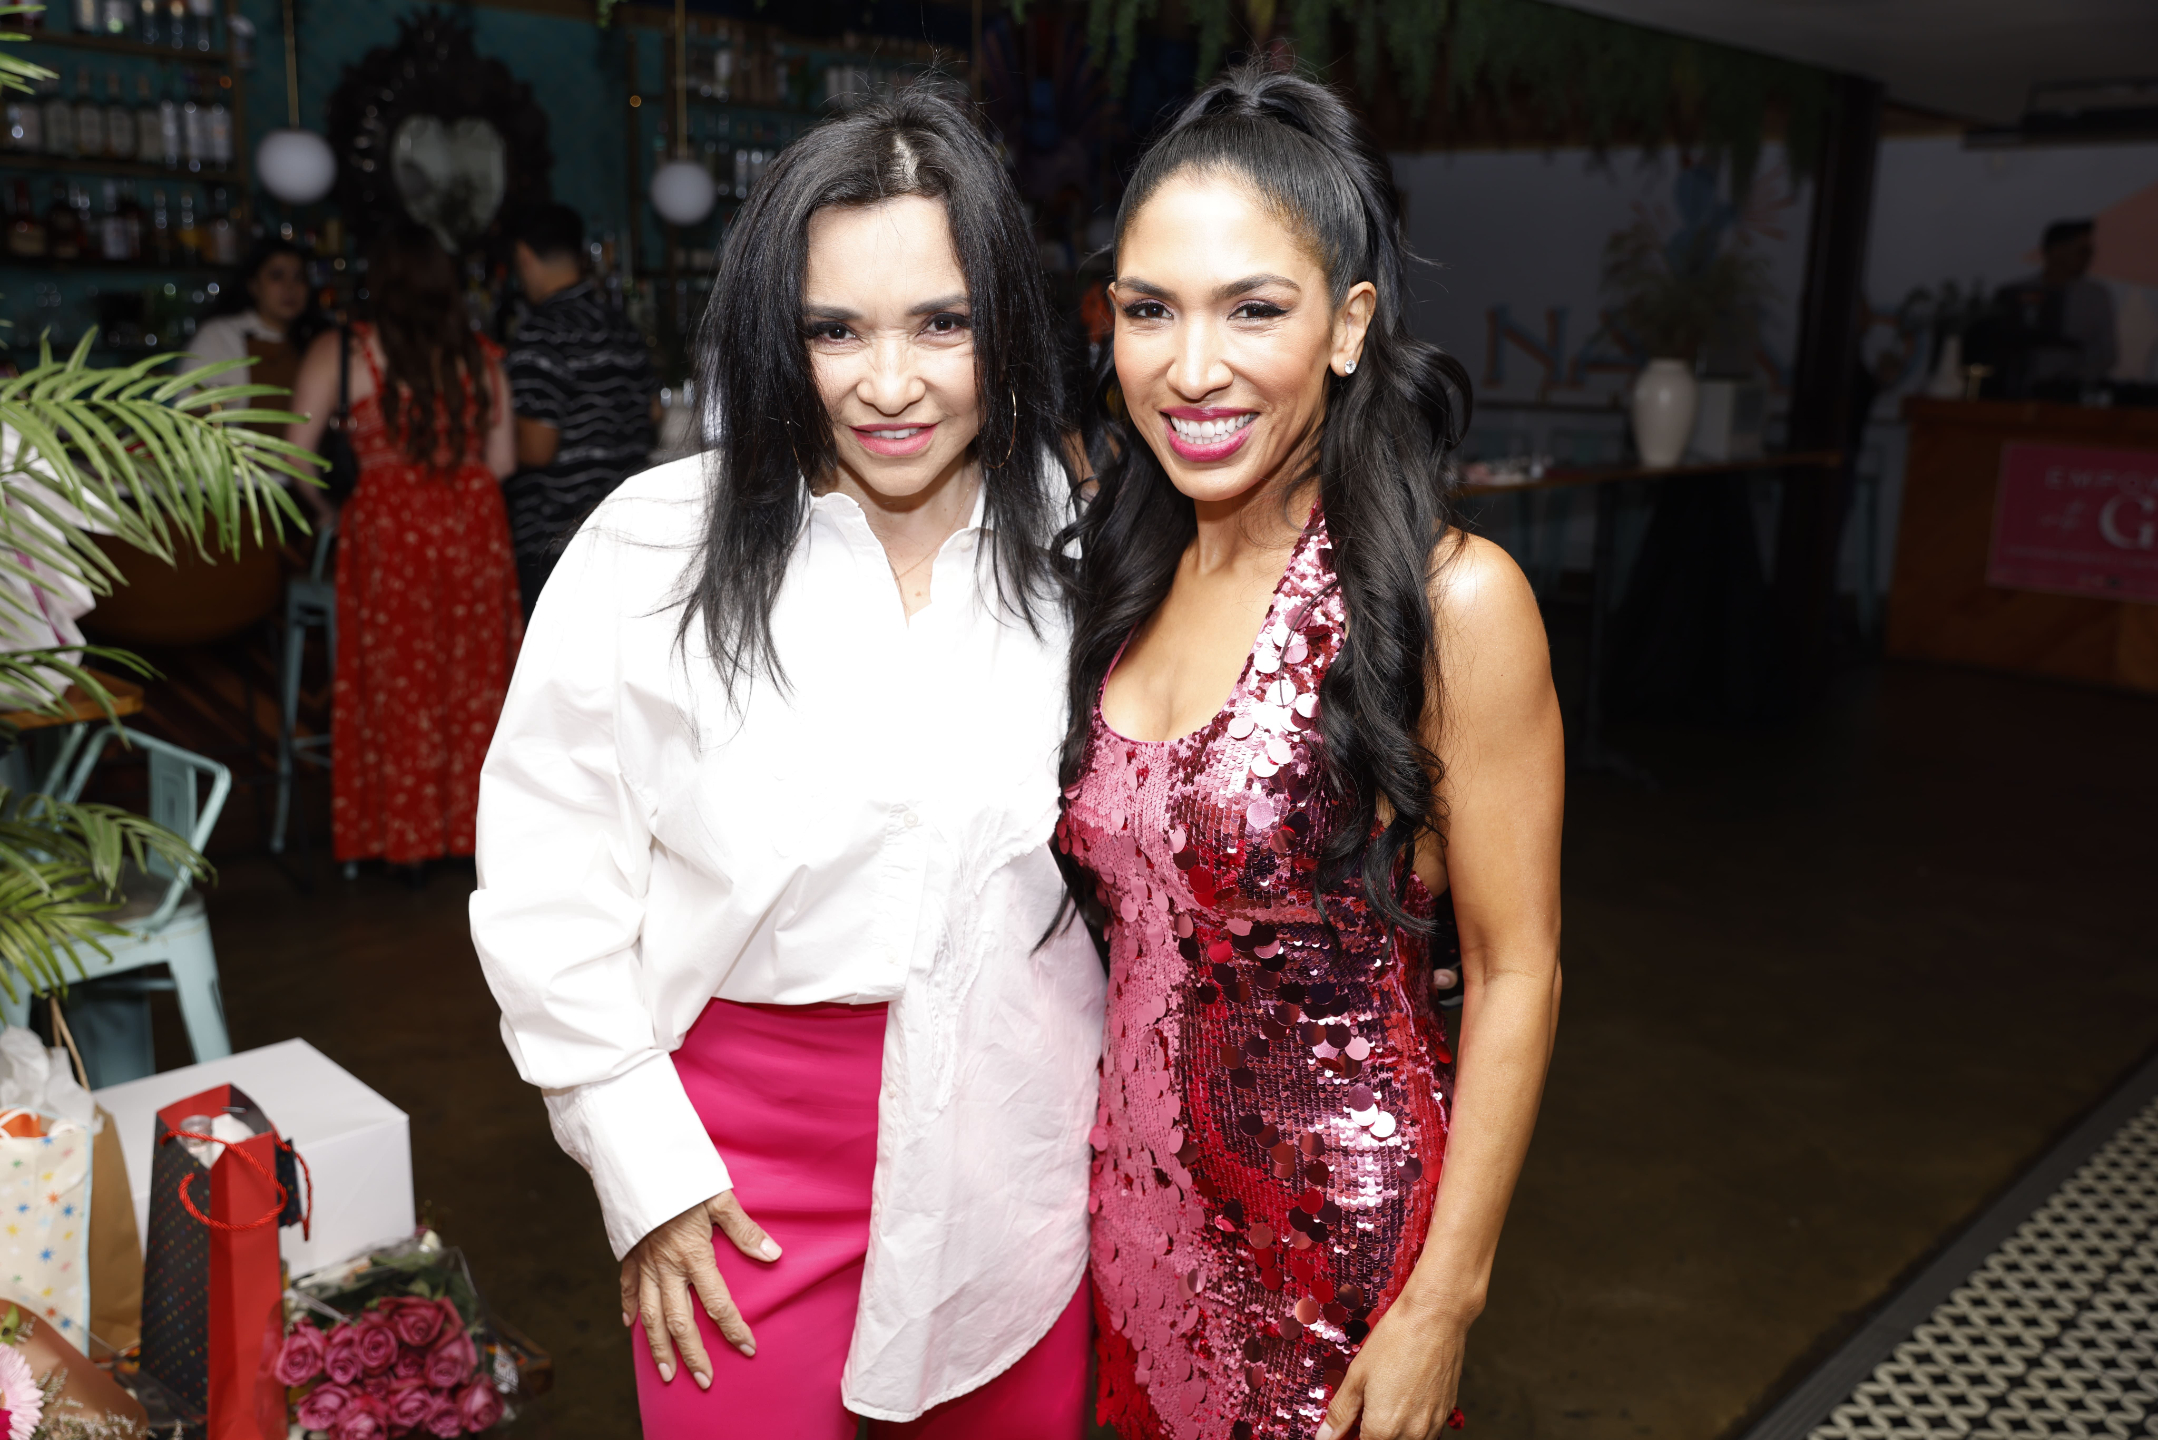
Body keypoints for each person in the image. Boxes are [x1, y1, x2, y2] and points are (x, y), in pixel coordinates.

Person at [468, 82, 1103, 1439]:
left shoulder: (1086, 554)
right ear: (775, 334)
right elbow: (546, 884)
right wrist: (642, 1168)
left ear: (1006, 323)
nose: (890, 383)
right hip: (736, 1184)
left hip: (1018, 1157)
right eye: (835, 329)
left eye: (941, 323)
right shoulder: (653, 548)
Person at [1058, 64, 1563, 1440]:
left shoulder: (1450, 603)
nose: (1191, 367)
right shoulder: (1120, 577)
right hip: (1129, 1229)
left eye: (1253, 309)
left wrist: (1442, 1305)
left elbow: (1515, 970)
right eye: (1149, 310)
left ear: (1347, 326)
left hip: (1334, 1262)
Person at [283, 221, 521, 876]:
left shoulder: (344, 350)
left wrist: (331, 513)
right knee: (476, 682)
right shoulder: (482, 356)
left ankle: (407, 843)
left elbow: (293, 455)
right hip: (472, 526)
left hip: (387, 529)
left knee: (398, 682)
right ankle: (472, 835)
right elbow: (502, 462)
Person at [502, 203, 658, 620]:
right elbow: (654, 414)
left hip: (557, 541)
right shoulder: (620, 325)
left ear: (524, 257)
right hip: (622, 531)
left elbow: (537, 448)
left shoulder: (541, 333)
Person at [178, 236, 323, 405]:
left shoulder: (318, 341)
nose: (290, 287)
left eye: (299, 277)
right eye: (277, 276)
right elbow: (186, 402)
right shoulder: (219, 335)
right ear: (253, 285)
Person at [1991, 219, 2117, 387]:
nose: (2089, 257)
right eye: (2083, 251)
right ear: (2057, 251)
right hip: (2017, 390)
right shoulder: (2016, 293)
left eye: (2090, 251)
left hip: (2073, 392)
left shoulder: (2096, 297)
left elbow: (2107, 353)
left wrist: (2072, 379)